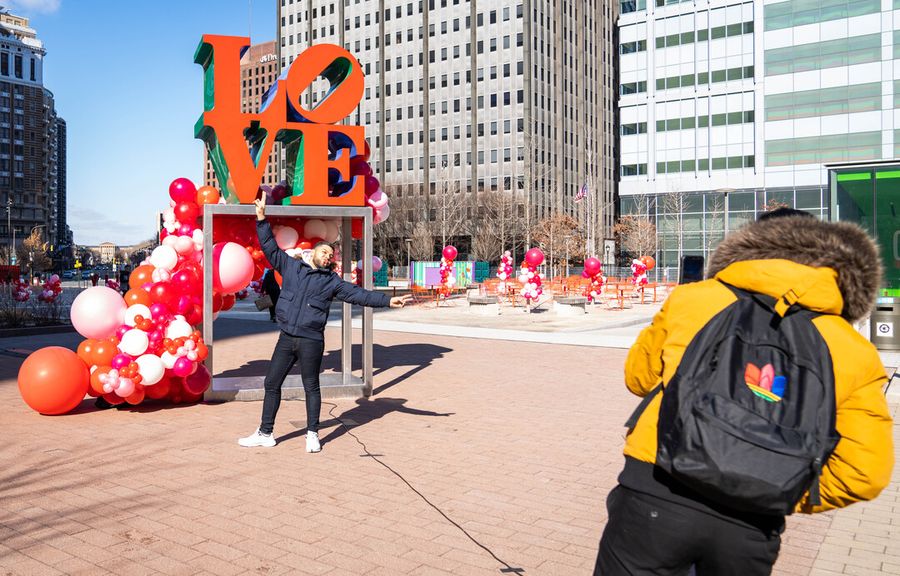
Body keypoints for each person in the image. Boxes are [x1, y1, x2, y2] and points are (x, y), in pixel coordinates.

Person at [594, 208, 894, 575]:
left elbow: (638, 378)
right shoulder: (853, 349)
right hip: (752, 524)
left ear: (749, 246)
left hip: (657, 489)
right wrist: (780, 486)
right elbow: (866, 473)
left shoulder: (695, 299)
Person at [239, 198, 411, 453]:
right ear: (313, 253)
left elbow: (359, 295)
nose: (328, 256)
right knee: (272, 383)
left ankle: (312, 434)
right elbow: (270, 248)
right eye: (324, 252)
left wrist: (386, 300)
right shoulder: (292, 267)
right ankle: (266, 432)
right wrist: (262, 219)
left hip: (311, 340)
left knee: (311, 386)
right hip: (286, 337)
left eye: (331, 255)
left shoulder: (332, 281)